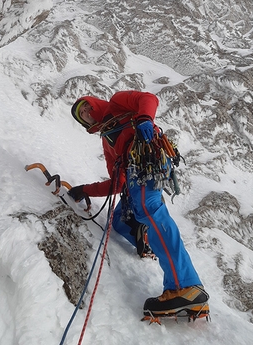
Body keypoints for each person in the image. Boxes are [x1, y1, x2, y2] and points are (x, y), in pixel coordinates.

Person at [69, 89, 209, 318]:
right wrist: (84, 190)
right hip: (139, 174)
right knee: (120, 219)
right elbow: (116, 183)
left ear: (93, 101)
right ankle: (147, 240)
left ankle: (184, 287)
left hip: (147, 163)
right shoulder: (107, 141)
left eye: (84, 106)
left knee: (148, 210)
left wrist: (144, 118)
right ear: (86, 124)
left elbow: (148, 99)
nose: (85, 112)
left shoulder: (116, 104)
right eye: (81, 115)